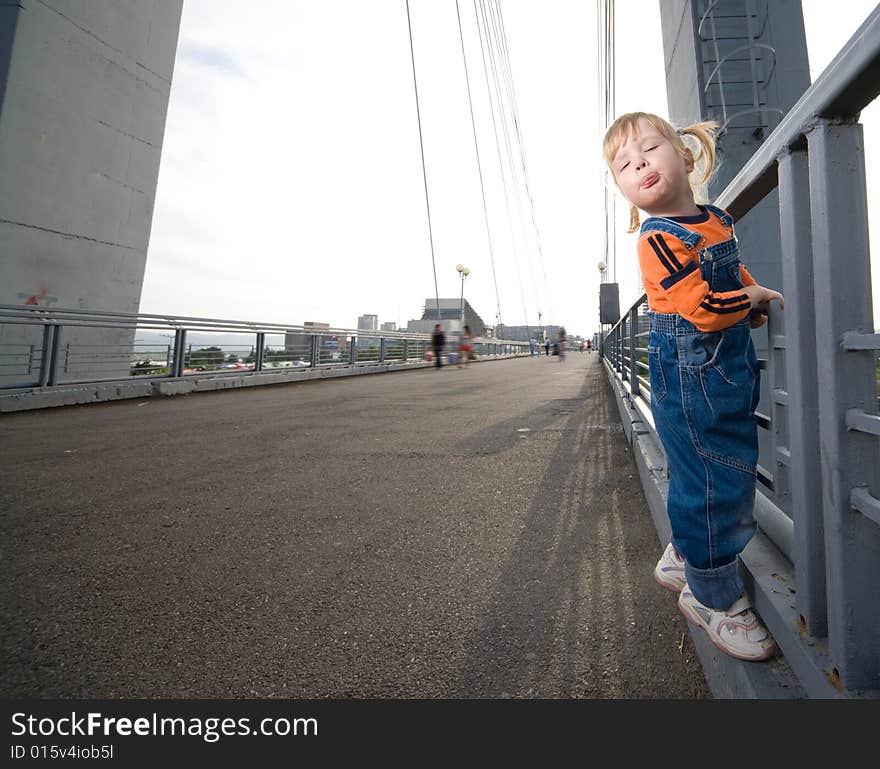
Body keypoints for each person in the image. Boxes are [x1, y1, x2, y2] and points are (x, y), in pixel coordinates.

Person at [603, 111, 784, 662]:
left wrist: (753, 293)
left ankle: (685, 550)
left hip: (720, 363)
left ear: (684, 156)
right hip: (690, 363)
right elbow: (703, 308)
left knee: (712, 463)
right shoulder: (657, 240)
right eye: (624, 166)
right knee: (716, 474)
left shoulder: (714, 219)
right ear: (626, 191)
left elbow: (733, 273)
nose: (639, 166)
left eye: (649, 152)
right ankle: (712, 597)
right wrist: (749, 303)